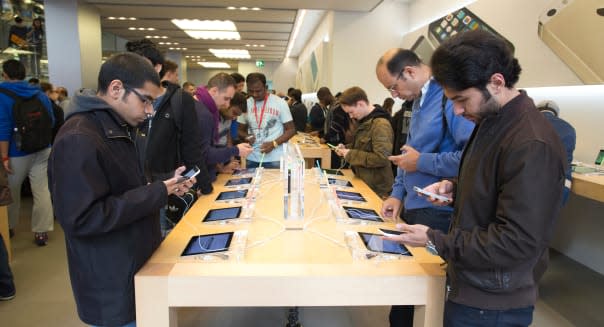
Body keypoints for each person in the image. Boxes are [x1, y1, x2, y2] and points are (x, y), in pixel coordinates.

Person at [385, 30, 567, 327]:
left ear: (496, 82)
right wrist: (455, 188)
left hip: (494, 302)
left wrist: (434, 240)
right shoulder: (490, 122)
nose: (457, 110)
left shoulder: (531, 143)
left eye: (462, 99)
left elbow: (515, 242)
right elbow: (495, 183)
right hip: (472, 283)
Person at [48, 52, 196, 327]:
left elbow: (126, 185)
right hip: (112, 282)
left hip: (134, 266)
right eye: (146, 100)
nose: (150, 110)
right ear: (117, 89)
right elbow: (82, 218)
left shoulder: (119, 128)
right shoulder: (79, 138)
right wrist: (156, 193)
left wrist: (166, 182)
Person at [376, 48, 475, 326]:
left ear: (409, 72)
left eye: (393, 87)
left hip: (437, 213)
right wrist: (397, 193)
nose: (393, 94)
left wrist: (423, 162)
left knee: (425, 302)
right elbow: (408, 155)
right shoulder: (417, 101)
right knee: (404, 298)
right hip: (414, 208)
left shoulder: (448, 98)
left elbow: (470, 158)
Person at [127, 39, 211, 236]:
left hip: (167, 187)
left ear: (157, 67)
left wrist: (204, 188)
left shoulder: (180, 100)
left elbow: (192, 147)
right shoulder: (123, 102)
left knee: (163, 242)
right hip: (132, 192)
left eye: (141, 64)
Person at [0, 59, 55, 246]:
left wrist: (4, 156)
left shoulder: (2, 95)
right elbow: (51, 120)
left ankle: (8, 227)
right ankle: (41, 231)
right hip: (43, 148)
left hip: (17, 152)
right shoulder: (39, 94)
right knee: (41, 190)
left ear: (5, 75)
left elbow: (4, 128)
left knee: (12, 191)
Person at [335, 86, 393, 198]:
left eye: (351, 112)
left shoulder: (380, 124)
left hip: (377, 190)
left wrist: (350, 154)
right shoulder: (365, 121)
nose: (350, 116)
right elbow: (364, 146)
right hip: (364, 182)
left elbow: (382, 158)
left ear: (361, 104)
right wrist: (346, 148)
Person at [194, 73, 252, 180]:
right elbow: (205, 154)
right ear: (214, 90)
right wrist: (236, 150)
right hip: (197, 176)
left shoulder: (205, 108)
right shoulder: (203, 114)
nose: (227, 104)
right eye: (226, 99)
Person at [237, 72, 295, 169]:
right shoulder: (246, 104)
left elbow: (291, 130)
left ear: (266, 87)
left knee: (275, 184)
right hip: (252, 158)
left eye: (258, 91)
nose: (254, 95)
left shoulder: (280, 103)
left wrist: (274, 144)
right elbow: (239, 130)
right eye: (251, 91)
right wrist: (247, 136)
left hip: (275, 159)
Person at [537, 100, 576, 205]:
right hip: (559, 189)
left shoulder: (526, 123)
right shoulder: (568, 128)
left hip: (526, 187)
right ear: (556, 114)